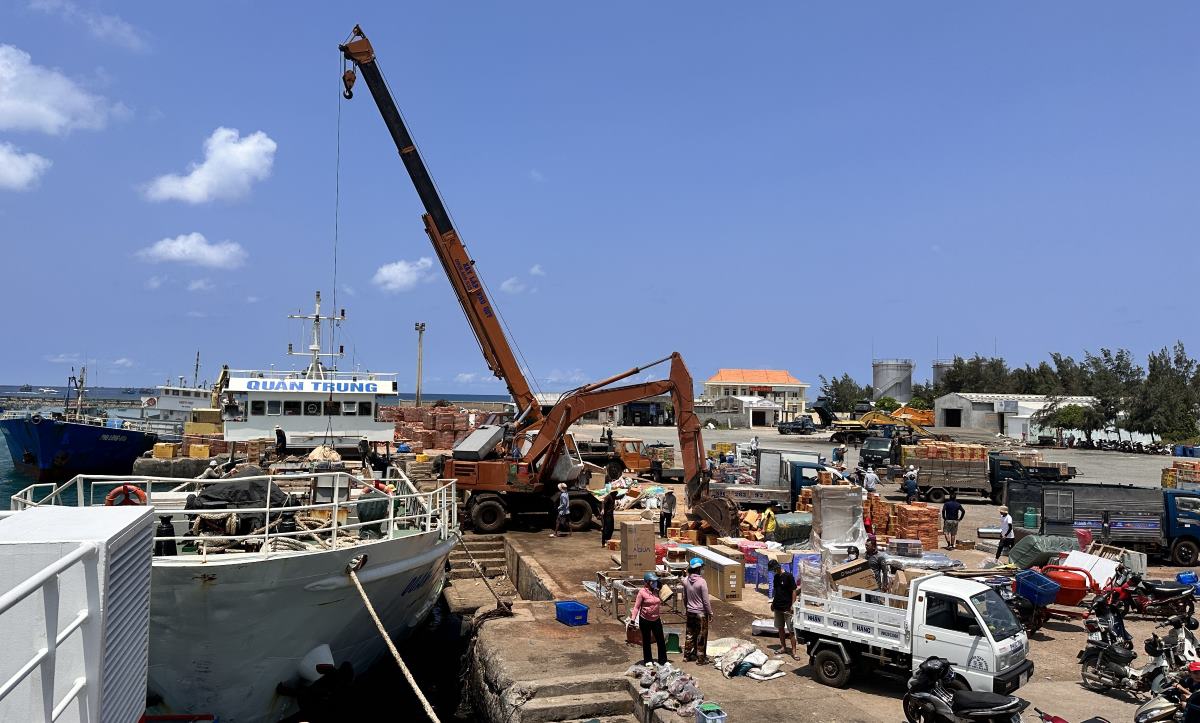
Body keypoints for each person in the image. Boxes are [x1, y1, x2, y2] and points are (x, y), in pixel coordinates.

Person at [631, 572, 668, 665]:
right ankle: (648, 660)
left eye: (655, 581)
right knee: (646, 640)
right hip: (645, 619)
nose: (655, 583)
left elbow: (667, 594)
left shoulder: (657, 590)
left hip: (656, 619)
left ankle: (663, 660)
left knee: (660, 640)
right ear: (647, 582)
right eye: (653, 581)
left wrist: (660, 584)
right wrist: (632, 619)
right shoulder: (642, 592)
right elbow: (636, 607)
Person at [682, 558, 712, 664]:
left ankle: (687, 656)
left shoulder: (685, 580)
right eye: (702, 567)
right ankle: (700, 659)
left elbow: (684, 597)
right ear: (699, 568)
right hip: (701, 613)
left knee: (689, 634)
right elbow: (706, 600)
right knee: (701, 636)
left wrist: (687, 608)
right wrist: (710, 612)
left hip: (690, 612)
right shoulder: (702, 582)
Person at [768, 559, 798, 658]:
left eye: (774, 569)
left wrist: (792, 605)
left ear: (777, 567)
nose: (773, 571)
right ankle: (783, 647)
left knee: (791, 630)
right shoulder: (776, 577)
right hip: (778, 607)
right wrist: (773, 603)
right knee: (780, 628)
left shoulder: (788, 576)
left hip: (787, 608)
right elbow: (776, 591)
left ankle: (794, 651)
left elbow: (794, 591)